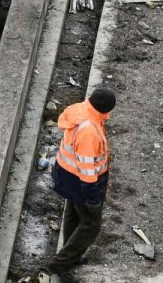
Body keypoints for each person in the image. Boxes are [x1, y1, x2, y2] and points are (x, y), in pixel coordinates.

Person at [50, 86, 115, 270]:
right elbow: (87, 171)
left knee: (73, 215)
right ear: (106, 110)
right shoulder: (89, 131)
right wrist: (93, 199)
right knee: (91, 224)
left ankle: (69, 255)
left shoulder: (81, 110)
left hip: (66, 175)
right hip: (82, 182)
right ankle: (60, 263)